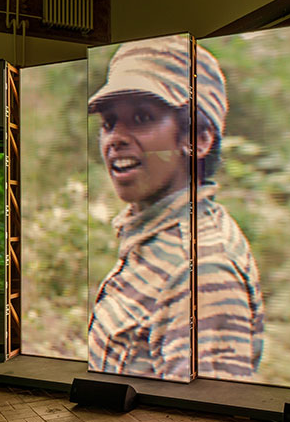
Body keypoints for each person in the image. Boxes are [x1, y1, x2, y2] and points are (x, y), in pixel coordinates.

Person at [87, 35, 264, 382]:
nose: (115, 138)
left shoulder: (200, 271)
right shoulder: (153, 236)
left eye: (141, 117)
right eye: (109, 122)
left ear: (197, 138)